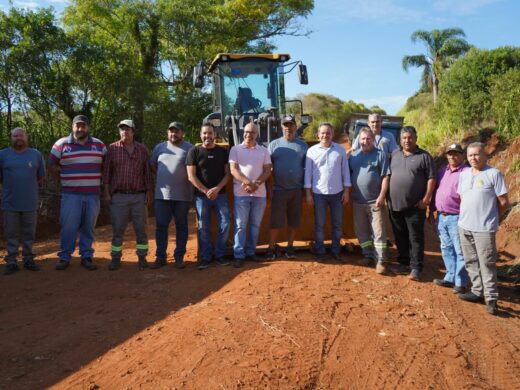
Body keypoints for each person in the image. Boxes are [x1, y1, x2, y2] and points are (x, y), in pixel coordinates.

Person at [456, 142, 509, 315]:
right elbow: (464, 198)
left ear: (485, 156)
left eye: (477, 154)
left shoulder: (494, 174)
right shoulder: (464, 174)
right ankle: (477, 291)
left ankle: (492, 298)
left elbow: (503, 202)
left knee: (487, 263)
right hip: (464, 226)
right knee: (470, 260)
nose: (474, 158)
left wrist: (493, 218)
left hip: (484, 228)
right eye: (470, 155)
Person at [48, 115, 106, 271]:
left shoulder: (99, 145)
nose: (80, 129)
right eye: (77, 126)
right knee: (68, 227)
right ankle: (65, 257)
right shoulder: (61, 144)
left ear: (88, 127)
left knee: (89, 227)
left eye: (83, 126)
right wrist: (63, 180)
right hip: (71, 194)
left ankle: (86, 256)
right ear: (72, 127)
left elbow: (106, 166)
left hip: (93, 194)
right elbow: (52, 165)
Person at [103, 120, 153, 270]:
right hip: (119, 196)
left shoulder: (142, 149)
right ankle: (116, 258)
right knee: (118, 229)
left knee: (140, 229)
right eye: (122, 129)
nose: (124, 132)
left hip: (138, 196)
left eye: (128, 129)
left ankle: (142, 257)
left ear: (133, 131)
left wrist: (149, 192)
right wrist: (107, 193)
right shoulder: (112, 149)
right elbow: (106, 173)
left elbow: (147, 173)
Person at [388, 126, 435, 280]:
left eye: (410, 138)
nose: (407, 140)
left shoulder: (424, 156)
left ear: (416, 138)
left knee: (415, 237)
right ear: (400, 140)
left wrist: (426, 199)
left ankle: (416, 267)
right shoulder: (394, 155)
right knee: (399, 235)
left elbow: (431, 178)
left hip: (415, 206)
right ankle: (403, 262)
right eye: (404, 138)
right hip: (394, 204)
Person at [0, 128, 46, 275]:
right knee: (11, 233)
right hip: (10, 203)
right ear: (11, 138)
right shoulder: (2, 155)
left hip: (30, 202)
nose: (18, 138)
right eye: (15, 135)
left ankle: (28, 259)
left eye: (21, 135)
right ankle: (12, 262)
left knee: (29, 234)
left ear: (26, 137)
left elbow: (41, 176)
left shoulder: (36, 155)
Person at [186, 123, 231, 269]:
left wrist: (217, 189)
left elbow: (228, 174)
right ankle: (206, 257)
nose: (208, 136)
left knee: (225, 223)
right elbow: (191, 176)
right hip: (201, 197)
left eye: (210, 133)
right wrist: (206, 191)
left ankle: (219, 255)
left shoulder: (223, 152)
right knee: (203, 227)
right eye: (205, 133)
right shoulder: (194, 152)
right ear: (200, 135)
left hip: (221, 195)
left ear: (215, 135)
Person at [304, 122, 351, 262]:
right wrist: (308, 194)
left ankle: (336, 251)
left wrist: (347, 191)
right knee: (319, 225)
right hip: (319, 194)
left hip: (337, 193)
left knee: (337, 225)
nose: (325, 135)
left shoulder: (340, 150)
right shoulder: (311, 151)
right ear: (318, 135)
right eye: (323, 133)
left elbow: (345, 171)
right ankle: (320, 251)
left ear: (332, 134)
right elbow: (308, 175)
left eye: (328, 133)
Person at [150, 122, 193, 269]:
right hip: (162, 196)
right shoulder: (159, 148)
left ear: (182, 133)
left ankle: (179, 257)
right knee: (161, 226)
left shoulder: (190, 148)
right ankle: (160, 257)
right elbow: (153, 167)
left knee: (181, 227)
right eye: (171, 131)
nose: (173, 134)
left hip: (183, 196)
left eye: (177, 131)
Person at [229, 122, 272, 268]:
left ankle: (251, 252)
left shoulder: (264, 151)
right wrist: (248, 183)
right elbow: (233, 170)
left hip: (259, 195)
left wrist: (256, 184)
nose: (249, 134)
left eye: (252, 132)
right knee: (241, 225)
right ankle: (239, 255)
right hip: (241, 194)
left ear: (257, 134)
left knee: (255, 225)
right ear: (243, 133)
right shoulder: (235, 149)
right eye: (247, 131)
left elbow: (267, 170)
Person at [266, 115, 308, 260]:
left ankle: (290, 247)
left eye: (291, 125)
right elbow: (266, 168)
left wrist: (305, 190)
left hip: (296, 190)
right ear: (281, 127)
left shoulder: (303, 146)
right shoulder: (273, 145)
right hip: (278, 190)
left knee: (294, 221)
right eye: (285, 125)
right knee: (275, 221)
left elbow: (307, 168)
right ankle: (271, 247)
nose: (288, 128)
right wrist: (268, 187)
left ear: (295, 127)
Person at [349, 127, 390, 274]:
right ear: (358, 140)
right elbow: (348, 177)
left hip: (375, 201)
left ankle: (381, 261)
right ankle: (367, 255)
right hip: (358, 202)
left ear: (373, 139)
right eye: (362, 139)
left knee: (378, 232)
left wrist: (382, 196)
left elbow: (386, 176)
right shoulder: (353, 156)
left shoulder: (381, 155)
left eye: (368, 139)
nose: (365, 141)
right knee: (362, 232)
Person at [429, 143, 470, 292]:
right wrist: (431, 211)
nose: (452, 156)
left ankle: (461, 282)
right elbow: (435, 192)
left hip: (457, 217)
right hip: (442, 216)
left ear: (462, 156)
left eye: (456, 153)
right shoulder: (442, 171)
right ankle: (450, 277)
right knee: (446, 248)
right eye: (450, 153)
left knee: (460, 250)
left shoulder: (466, 172)